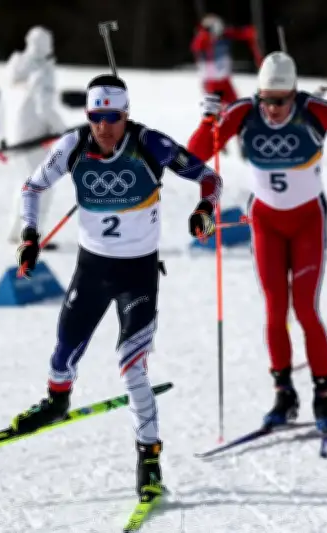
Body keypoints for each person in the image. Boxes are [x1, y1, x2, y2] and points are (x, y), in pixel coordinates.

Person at [12, 74, 222, 501]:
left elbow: (210, 179)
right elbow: (32, 187)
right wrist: (30, 235)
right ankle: (57, 401)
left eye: (112, 117)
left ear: (126, 115)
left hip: (137, 275)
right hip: (92, 269)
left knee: (132, 368)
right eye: (95, 117)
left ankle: (149, 458)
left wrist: (205, 210)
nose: (103, 126)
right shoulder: (72, 146)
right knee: (65, 341)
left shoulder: (151, 145)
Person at [188, 52, 327, 432]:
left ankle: (323, 395)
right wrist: (208, 120)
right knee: (275, 310)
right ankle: (284, 392)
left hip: (308, 221)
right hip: (267, 223)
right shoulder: (245, 112)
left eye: (280, 101)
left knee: (306, 311)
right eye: (267, 100)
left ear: (294, 94)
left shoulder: (314, 110)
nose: (273, 110)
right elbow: (196, 156)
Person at [0, 26, 65, 245]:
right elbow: (43, 108)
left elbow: (1, 106)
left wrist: (3, 137)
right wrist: (61, 129)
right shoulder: (41, 73)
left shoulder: (15, 70)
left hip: (14, 139)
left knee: (24, 184)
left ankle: (15, 231)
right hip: (31, 139)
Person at [190, 14, 261, 109]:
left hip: (225, 81)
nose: (220, 31)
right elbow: (196, 46)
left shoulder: (224, 36)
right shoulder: (202, 39)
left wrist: (248, 32)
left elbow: (238, 33)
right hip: (211, 82)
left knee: (235, 107)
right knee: (215, 112)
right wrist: (205, 34)